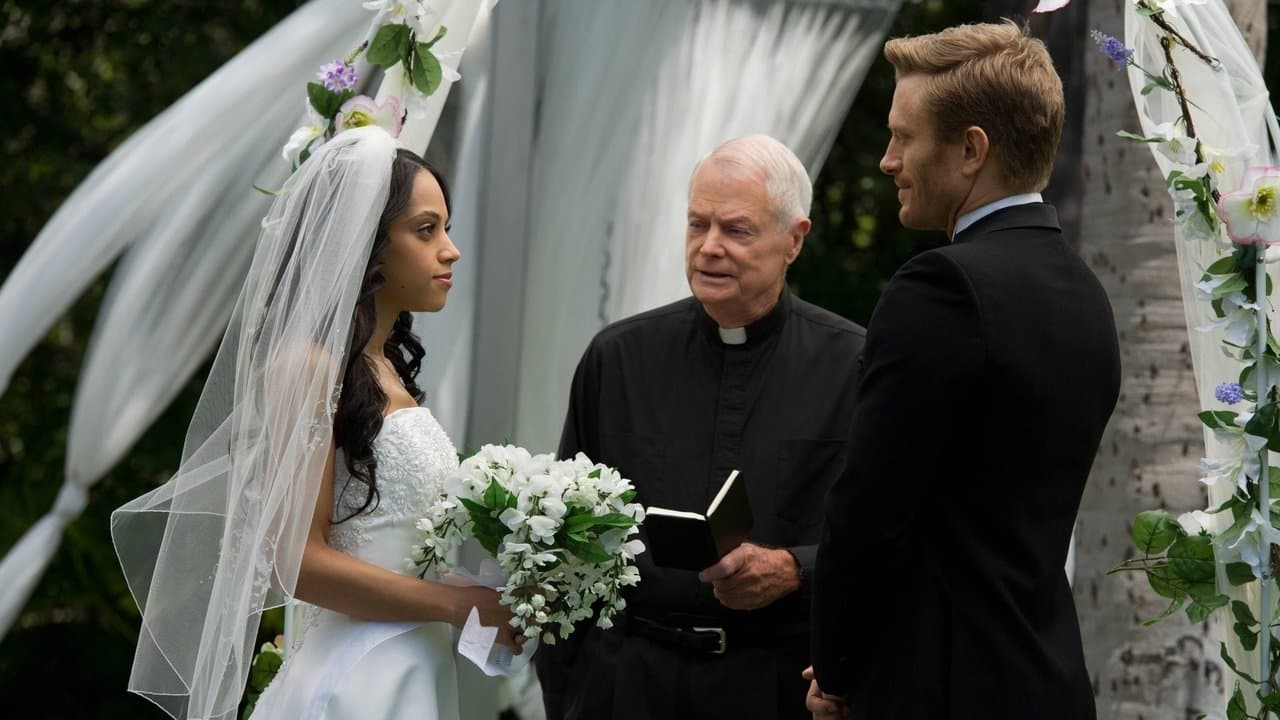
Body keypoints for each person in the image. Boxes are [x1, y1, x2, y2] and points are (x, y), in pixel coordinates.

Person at [111, 126, 523, 720]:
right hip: (358, 678)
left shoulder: (381, 368)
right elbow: (296, 562)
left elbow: (391, 541)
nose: (450, 250)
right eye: (426, 230)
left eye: (446, 228)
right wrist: (452, 605)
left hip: (414, 663)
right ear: (369, 242)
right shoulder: (307, 367)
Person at [807, 22, 1120, 720]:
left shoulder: (942, 288)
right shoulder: (1086, 293)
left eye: (903, 137)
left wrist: (837, 670)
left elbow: (869, 513)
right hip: (1046, 682)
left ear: (971, 150)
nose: (888, 160)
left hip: (940, 688)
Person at [536, 134, 866, 720]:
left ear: (794, 239)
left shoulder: (853, 366)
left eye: (736, 230)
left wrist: (795, 569)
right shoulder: (619, 359)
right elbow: (565, 538)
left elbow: (889, 537)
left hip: (775, 688)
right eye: (697, 225)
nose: (709, 247)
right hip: (628, 684)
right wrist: (570, 691)